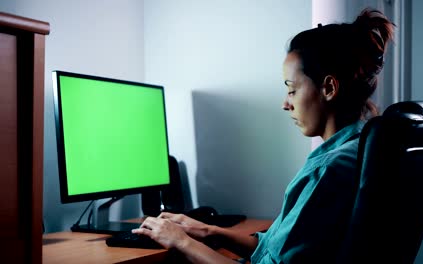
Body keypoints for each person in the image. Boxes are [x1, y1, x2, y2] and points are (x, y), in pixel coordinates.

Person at [132, 8, 395, 263]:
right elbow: (276, 249)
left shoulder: (328, 170)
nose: (285, 103)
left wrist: (182, 241)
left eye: (291, 90)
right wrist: (209, 231)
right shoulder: (360, 149)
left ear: (328, 88)